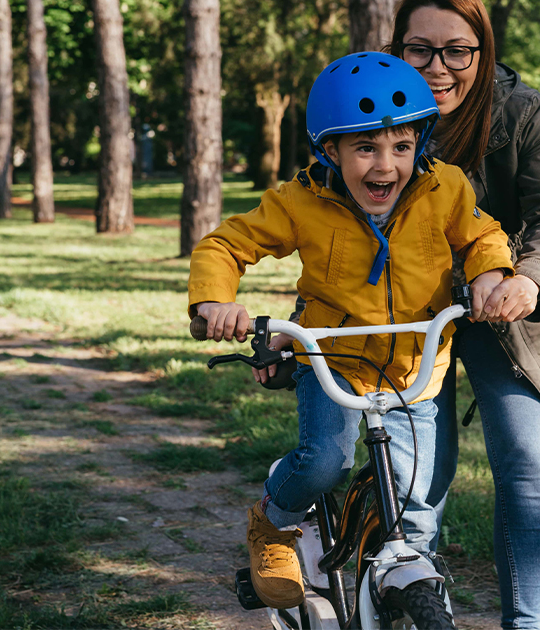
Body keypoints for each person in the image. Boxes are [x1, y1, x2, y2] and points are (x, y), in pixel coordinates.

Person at [188, 51, 516, 610]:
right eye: (365, 147)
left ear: (420, 144)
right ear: (330, 151)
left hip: (417, 367)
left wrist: (491, 274)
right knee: (324, 464)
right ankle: (273, 522)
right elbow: (225, 244)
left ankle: (400, 592)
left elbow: (484, 237)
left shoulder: (448, 189)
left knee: (417, 504)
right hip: (331, 361)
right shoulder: (301, 200)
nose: (385, 165)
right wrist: (216, 300)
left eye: (401, 147)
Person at [392, 1, 540, 628]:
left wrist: (530, 279)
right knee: (420, 476)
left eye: (458, 51)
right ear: (398, 47)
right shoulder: (367, 101)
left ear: (483, 50)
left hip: (502, 312)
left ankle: (524, 625)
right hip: (399, 313)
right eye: (419, 49)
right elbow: (324, 224)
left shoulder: (521, 111)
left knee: (529, 464)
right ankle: (418, 610)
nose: (438, 68)